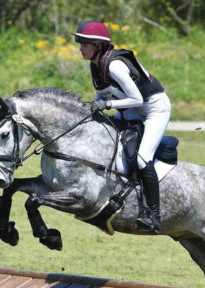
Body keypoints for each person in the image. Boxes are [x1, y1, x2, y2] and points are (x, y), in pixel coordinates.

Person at [72, 20, 171, 233]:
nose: (80, 48)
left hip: (154, 108)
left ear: (98, 45)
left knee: (143, 158)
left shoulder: (115, 65)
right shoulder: (96, 64)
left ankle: (153, 215)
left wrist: (107, 104)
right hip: (133, 108)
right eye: (79, 43)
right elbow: (106, 91)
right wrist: (94, 103)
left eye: (84, 44)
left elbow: (137, 99)